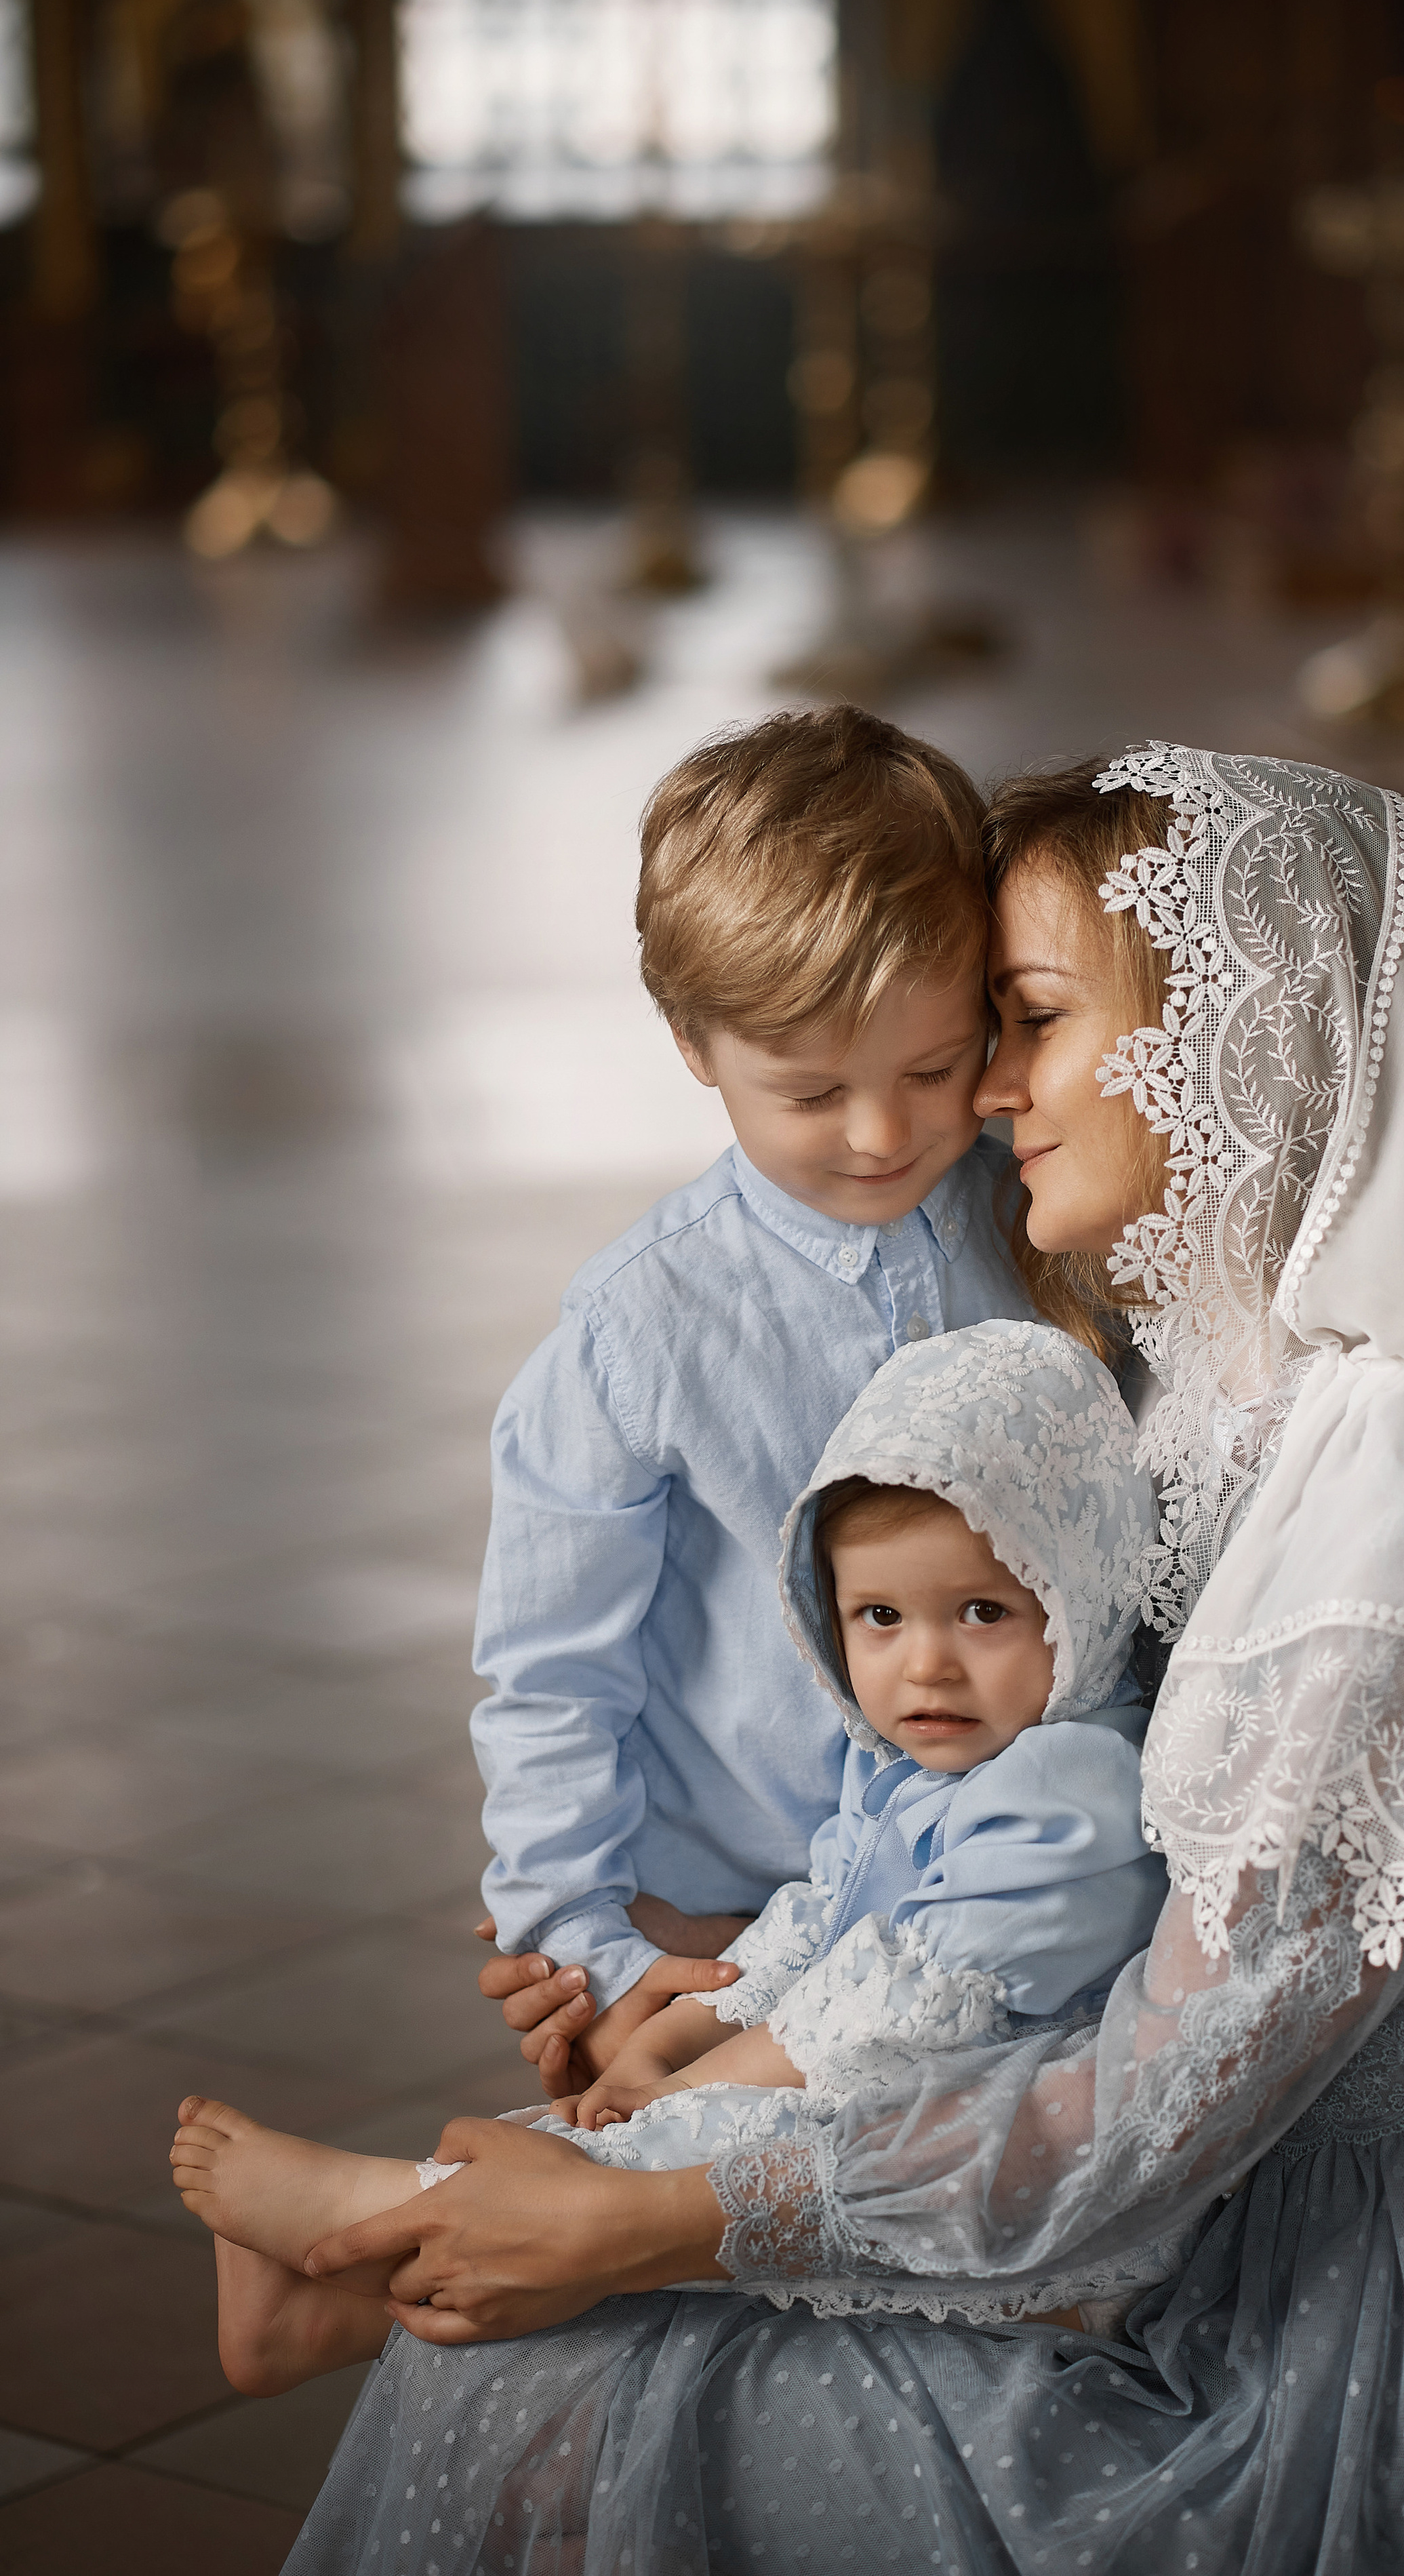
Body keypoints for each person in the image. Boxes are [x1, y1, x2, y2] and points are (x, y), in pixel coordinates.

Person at [285, 743, 1404, 2574]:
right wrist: (744, 2003)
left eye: (1026, 1019)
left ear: (1236, 1028)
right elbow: (1009, 1815)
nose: (981, 1094)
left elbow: (1153, 2103)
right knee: (534, 2310)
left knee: (554, 2347)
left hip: (1335, 2340)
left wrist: (658, 2219)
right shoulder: (1223, 1379)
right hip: (1193, 2211)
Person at [169, 1322, 1168, 2374]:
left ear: (1078, 1600)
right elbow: (813, 1924)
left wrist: (694, 2087)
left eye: (981, 1612)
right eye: (879, 1615)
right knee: (637, 2131)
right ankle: (340, 2297)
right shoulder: (905, 1765)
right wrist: (678, 2036)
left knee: (672, 2162)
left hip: (980, 2153)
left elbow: (902, 2007)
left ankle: (366, 2216)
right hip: (871, 2077)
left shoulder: (1071, 1789)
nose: (925, 1666)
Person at [468, 702, 1032, 2101]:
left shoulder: (1036, 1224)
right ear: (692, 1042)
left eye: (929, 1067)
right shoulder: (638, 1325)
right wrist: (580, 1945)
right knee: (680, 2176)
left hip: (992, 1880)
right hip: (727, 1910)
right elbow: (551, 1670)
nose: (881, 1134)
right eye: (809, 1090)